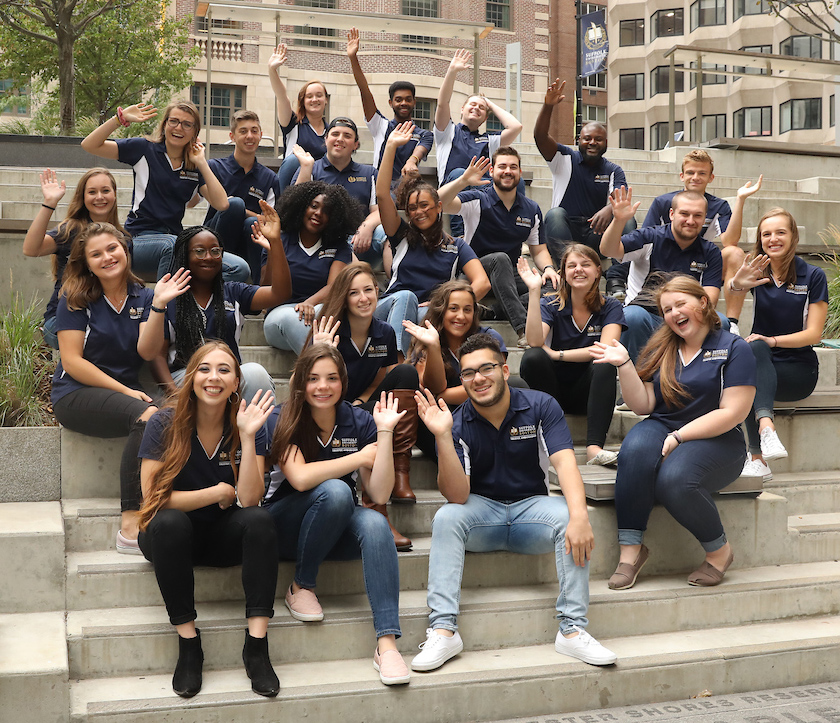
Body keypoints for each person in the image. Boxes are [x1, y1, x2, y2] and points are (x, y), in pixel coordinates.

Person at [410, 333, 617, 672]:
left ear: (505, 370)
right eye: (468, 373)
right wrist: (443, 436)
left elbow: (565, 464)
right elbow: (458, 496)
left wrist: (579, 516)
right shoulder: (458, 420)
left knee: (570, 515)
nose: (478, 378)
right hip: (482, 513)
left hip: (531, 511)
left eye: (486, 368)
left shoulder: (540, 405)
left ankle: (572, 630)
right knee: (447, 517)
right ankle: (444, 630)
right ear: (461, 380)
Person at [591, 276, 756, 590]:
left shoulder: (733, 348)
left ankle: (720, 553)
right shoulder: (663, 345)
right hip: (663, 424)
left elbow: (733, 412)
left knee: (675, 479)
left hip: (719, 438)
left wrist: (681, 435)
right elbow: (644, 405)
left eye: (681, 304)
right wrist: (624, 364)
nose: (674, 313)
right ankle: (631, 552)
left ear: (703, 303)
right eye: (667, 309)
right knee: (635, 450)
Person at [137, 341, 280, 698]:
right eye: (204, 369)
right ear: (190, 377)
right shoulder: (164, 424)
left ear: (236, 382)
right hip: (169, 537)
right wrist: (215, 492)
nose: (213, 377)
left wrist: (248, 438)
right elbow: (153, 500)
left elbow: (249, 498)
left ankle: (257, 647)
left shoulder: (248, 423)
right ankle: (189, 645)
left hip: (220, 537)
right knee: (170, 523)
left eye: (224, 370)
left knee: (260, 520)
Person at [263, 344, 411, 686]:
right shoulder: (282, 416)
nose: (322, 386)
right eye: (313, 379)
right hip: (282, 525)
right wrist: (359, 458)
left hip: (332, 524)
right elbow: (299, 478)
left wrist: (385, 433)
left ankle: (386, 643)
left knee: (375, 523)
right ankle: (302, 584)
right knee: (337, 490)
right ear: (300, 383)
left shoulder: (358, 420)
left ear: (343, 382)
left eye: (331, 378)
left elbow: (379, 494)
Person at [50, 222, 158, 552]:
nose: (107, 257)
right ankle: (130, 523)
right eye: (96, 254)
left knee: (175, 415)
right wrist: (125, 392)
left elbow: (149, 353)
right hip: (75, 394)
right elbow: (72, 362)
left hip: (123, 394)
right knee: (148, 416)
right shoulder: (75, 297)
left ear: (125, 250)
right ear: (87, 263)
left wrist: (161, 306)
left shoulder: (146, 296)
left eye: (112, 248)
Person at [310, 261, 421, 548]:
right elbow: (305, 384)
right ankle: (377, 512)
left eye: (369, 290)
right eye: (354, 293)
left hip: (362, 406)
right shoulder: (329, 329)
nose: (363, 298)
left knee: (406, 372)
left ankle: (399, 472)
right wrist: (321, 349)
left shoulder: (384, 332)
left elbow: (381, 377)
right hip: (331, 411)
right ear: (343, 299)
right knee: (373, 419)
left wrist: (361, 401)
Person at [80, 100, 249, 281]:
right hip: (139, 239)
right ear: (165, 124)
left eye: (187, 124)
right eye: (174, 121)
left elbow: (222, 204)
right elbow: (89, 145)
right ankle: (164, 308)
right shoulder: (144, 149)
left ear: (194, 131)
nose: (179, 128)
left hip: (175, 241)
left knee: (239, 268)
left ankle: (202, 306)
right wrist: (119, 119)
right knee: (172, 245)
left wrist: (201, 162)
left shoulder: (193, 164)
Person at [138, 210, 291, 401]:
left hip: (227, 375)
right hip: (185, 378)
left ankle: (259, 431)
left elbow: (279, 293)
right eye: (199, 251)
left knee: (256, 373)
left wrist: (276, 242)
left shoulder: (234, 292)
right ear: (184, 256)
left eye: (215, 251)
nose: (209, 257)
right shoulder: (168, 297)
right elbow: (157, 356)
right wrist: (174, 394)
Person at [728, 208, 828, 481]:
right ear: (760, 240)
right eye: (766, 234)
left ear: (793, 236)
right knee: (752, 352)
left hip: (798, 369)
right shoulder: (757, 272)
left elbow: (814, 335)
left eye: (780, 232)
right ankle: (766, 430)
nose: (773, 238)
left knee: (754, 355)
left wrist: (772, 340)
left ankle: (757, 454)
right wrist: (738, 284)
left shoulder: (813, 276)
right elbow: (732, 309)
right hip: (761, 362)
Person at [375, 122, 490, 354]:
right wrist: (390, 147)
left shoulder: (456, 246)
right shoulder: (401, 235)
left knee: (435, 318)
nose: (419, 211)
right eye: (413, 208)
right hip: (390, 308)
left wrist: (446, 303)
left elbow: (482, 283)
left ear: (439, 207)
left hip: (430, 312)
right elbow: (381, 194)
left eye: (425, 205)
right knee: (407, 298)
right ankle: (398, 367)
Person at [438, 148, 559, 347]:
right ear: (492, 171)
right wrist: (463, 181)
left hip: (508, 278)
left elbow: (538, 250)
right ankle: (523, 329)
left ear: (520, 173)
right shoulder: (477, 199)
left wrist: (548, 269)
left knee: (555, 287)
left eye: (513, 167)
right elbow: (437, 203)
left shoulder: (531, 209)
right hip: (472, 274)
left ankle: (493, 311)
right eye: (502, 166)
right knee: (500, 258)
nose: (507, 171)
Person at [517, 245, 626, 466]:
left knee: (605, 363)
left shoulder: (611, 306)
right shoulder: (551, 303)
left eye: (585, 264)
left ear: (598, 271)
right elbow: (535, 342)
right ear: (563, 273)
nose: (578, 270)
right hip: (552, 391)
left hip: (587, 393)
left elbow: (605, 349)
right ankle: (549, 440)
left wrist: (558, 355)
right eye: (572, 265)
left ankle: (594, 449)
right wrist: (534, 291)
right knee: (533, 357)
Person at [600, 187, 728, 362]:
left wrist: (682, 317)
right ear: (672, 214)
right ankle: (636, 378)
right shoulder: (650, 236)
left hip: (688, 316)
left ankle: (703, 379)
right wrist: (618, 221)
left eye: (698, 215)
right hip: (647, 314)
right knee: (631, 317)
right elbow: (609, 249)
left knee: (721, 322)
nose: (691, 221)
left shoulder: (711, 251)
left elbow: (710, 299)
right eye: (684, 214)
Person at [643, 150, 760, 335]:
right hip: (665, 264)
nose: (695, 177)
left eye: (702, 173)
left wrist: (740, 200)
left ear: (711, 177)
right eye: (690, 172)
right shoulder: (664, 202)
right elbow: (644, 238)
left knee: (735, 253)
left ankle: (732, 323)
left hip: (703, 264)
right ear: (682, 176)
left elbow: (729, 241)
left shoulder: (719, 206)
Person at [533, 79, 634, 274]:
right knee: (554, 214)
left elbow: (621, 202)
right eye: (587, 138)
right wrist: (548, 106)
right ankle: (566, 270)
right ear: (578, 140)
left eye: (598, 139)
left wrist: (609, 209)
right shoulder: (563, 159)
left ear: (605, 143)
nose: (592, 142)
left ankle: (618, 278)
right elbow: (540, 137)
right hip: (565, 233)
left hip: (596, 236)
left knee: (627, 219)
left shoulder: (614, 170)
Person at [23, 167, 125, 349]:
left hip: (103, 319)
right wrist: (49, 203)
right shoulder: (71, 230)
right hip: (62, 320)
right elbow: (31, 249)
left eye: (105, 190)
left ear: (115, 195)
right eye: (92, 192)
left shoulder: (123, 239)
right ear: (83, 197)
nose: (99, 197)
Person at [261, 181, 359, 355]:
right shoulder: (278, 238)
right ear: (301, 207)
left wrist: (309, 303)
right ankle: (321, 364)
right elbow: (267, 287)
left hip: (318, 310)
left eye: (327, 211)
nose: (319, 213)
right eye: (314, 206)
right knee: (290, 318)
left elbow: (334, 286)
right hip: (280, 316)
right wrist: (273, 248)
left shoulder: (339, 246)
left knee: (332, 315)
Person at [434, 49, 523, 237]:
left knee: (516, 180)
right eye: (472, 104)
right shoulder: (447, 131)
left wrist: (489, 102)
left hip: (483, 188)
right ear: (462, 109)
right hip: (454, 187)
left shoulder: (489, 140)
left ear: (485, 118)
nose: (477, 108)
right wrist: (452, 71)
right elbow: (442, 103)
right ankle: (460, 234)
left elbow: (516, 127)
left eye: (481, 108)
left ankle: (515, 229)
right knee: (459, 172)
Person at [346, 27, 434, 192]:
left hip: (408, 188)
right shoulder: (381, 126)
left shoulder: (424, 134)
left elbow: (421, 150)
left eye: (408, 100)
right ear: (390, 102)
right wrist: (353, 58)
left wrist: (412, 161)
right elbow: (365, 91)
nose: (403, 103)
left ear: (414, 102)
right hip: (381, 189)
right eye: (398, 100)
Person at [198, 110, 281, 283]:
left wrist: (247, 214)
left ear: (261, 135)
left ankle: (255, 292)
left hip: (249, 242)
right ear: (232, 136)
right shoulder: (214, 167)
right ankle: (213, 273)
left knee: (252, 223)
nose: (249, 136)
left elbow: (271, 219)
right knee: (234, 205)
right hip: (214, 238)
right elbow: (192, 201)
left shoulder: (269, 178)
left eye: (254, 131)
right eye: (243, 131)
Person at [292, 117, 385, 264]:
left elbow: (382, 210)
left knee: (385, 233)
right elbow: (292, 208)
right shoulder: (310, 168)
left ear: (356, 145)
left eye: (347, 136)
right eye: (335, 134)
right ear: (326, 139)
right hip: (323, 241)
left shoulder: (370, 173)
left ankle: (396, 283)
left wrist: (366, 227)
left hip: (360, 241)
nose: (340, 139)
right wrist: (305, 168)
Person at [268, 43, 329, 189]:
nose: (314, 99)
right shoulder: (293, 123)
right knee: (294, 160)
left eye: (319, 95)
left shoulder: (332, 131)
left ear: (326, 100)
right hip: (292, 185)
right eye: (309, 96)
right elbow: (282, 97)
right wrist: (272, 70)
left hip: (320, 185)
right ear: (303, 101)